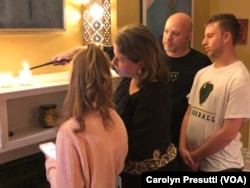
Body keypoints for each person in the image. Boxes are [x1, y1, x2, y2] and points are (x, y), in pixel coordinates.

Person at [52, 23, 178, 188]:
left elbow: (134, 146)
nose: (113, 61)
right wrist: (76, 52)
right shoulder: (130, 75)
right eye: (115, 55)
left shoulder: (154, 96)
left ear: (140, 62)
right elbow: (106, 52)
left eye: (120, 59)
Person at [44, 44, 128, 188]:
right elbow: (119, 166)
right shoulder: (115, 119)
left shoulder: (69, 132)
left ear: (74, 81)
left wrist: (51, 165)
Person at [179, 13, 250, 172]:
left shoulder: (239, 78)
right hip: (194, 162)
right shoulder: (202, 73)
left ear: (226, 37)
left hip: (223, 167)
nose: (203, 42)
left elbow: (228, 133)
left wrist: (195, 156)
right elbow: (189, 112)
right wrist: (183, 148)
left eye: (209, 36)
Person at [162, 12, 212, 169]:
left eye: (175, 33)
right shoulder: (154, 61)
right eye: (166, 31)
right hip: (159, 138)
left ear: (188, 37)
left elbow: (206, 106)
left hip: (188, 140)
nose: (168, 37)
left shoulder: (201, 63)